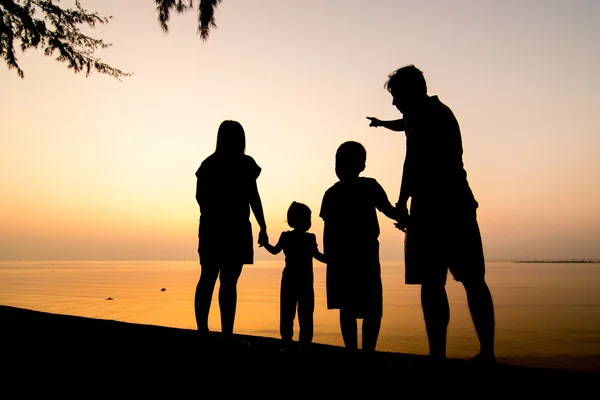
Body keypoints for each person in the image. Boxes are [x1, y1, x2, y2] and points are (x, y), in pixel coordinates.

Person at [367, 65, 496, 364]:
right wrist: (384, 124)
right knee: (467, 280)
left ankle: (440, 353)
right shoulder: (430, 112)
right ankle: (482, 352)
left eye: (396, 96)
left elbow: (412, 162)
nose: (394, 103)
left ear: (412, 91)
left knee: (438, 282)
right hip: (453, 205)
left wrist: (400, 203)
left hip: (439, 209)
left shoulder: (424, 116)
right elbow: (403, 124)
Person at [320, 141, 399, 352]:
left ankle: (355, 352)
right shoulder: (368, 186)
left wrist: (330, 258)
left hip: (349, 257)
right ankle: (366, 353)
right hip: (361, 256)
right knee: (368, 308)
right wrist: (404, 217)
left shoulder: (333, 193)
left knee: (351, 308)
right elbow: (390, 211)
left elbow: (328, 232)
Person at [194, 120, 268, 337]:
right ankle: (224, 332)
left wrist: (262, 225)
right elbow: (254, 197)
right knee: (226, 282)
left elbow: (200, 198)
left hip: (215, 229)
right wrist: (262, 225)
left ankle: (204, 330)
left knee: (210, 278)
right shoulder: (244, 164)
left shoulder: (209, 164)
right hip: (233, 229)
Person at [261, 202, 326, 347]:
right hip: (305, 281)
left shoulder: (286, 236)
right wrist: (334, 258)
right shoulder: (310, 238)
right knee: (305, 315)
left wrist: (265, 243)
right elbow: (319, 256)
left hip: (289, 279)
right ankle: (303, 344)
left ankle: (287, 343)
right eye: (307, 218)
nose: (309, 221)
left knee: (287, 313)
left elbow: (274, 250)